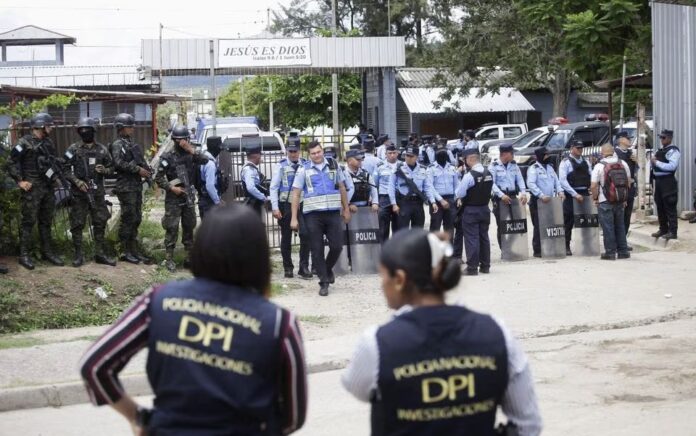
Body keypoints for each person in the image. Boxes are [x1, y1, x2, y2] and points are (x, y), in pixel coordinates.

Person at [80, 205, 308, 435]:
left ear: (200, 248)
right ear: (259, 258)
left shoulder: (158, 300)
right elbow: (294, 418)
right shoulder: (279, 323)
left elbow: (95, 365)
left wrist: (138, 417)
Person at [342, 229, 542, 436]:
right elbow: (528, 425)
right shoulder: (498, 333)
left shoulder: (376, 344)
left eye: (382, 276)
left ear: (399, 279)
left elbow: (356, 385)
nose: (381, 285)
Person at [290, 141, 351, 296]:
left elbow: (342, 187)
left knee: (337, 246)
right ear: (309, 155)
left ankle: (327, 268)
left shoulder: (334, 165)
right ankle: (323, 282)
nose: (316, 155)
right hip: (313, 214)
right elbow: (296, 193)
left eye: (318, 152)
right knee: (316, 249)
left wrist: (346, 209)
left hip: (332, 212)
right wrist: (294, 218)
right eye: (313, 153)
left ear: (322, 151)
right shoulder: (304, 169)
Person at [6, 112, 64, 270]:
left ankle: (47, 252)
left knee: (46, 222)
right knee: (28, 223)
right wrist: (20, 181)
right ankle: (24, 255)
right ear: (40, 126)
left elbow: (51, 164)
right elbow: (10, 162)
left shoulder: (49, 143)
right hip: (32, 189)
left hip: (47, 188)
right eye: (49, 125)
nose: (51, 128)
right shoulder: (23, 143)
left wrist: (54, 178)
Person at [63, 117, 117, 267]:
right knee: (77, 224)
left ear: (94, 131)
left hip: (97, 193)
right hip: (79, 193)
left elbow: (112, 167)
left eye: (88, 130)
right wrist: (77, 181)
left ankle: (100, 254)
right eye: (82, 130)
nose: (85, 132)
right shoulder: (73, 149)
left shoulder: (102, 149)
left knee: (100, 222)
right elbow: (65, 168)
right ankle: (78, 255)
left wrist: (105, 170)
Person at [154, 126, 209, 272]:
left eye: (184, 139)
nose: (182, 142)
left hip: (188, 195)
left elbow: (205, 160)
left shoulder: (191, 154)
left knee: (189, 225)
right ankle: (169, 259)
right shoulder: (167, 156)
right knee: (172, 227)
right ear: (174, 140)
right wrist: (172, 188)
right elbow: (158, 177)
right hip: (174, 196)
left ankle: (189, 258)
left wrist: (191, 149)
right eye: (180, 140)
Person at [110, 113, 152, 265]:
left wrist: (147, 170)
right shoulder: (117, 145)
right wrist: (137, 170)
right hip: (125, 187)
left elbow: (140, 162)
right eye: (129, 126)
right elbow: (118, 163)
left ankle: (133, 249)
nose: (132, 129)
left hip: (135, 186)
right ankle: (123, 251)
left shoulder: (131, 144)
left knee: (136, 218)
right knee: (128, 219)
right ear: (121, 128)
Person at [270, 137, 312, 279]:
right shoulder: (281, 166)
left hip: (302, 204)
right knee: (286, 237)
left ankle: (303, 267)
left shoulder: (306, 165)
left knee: (305, 234)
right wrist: (275, 208)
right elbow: (274, 187)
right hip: (286, 205)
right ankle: (288, 267)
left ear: (300, 151)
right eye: (291, 151)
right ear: (287, 151)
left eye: (296, 151)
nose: (293, 154)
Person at [455, 149, 493, 275]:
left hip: (471, 210)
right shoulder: (489, 173)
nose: (464, 162)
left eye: (465, 160)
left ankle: (472, 268)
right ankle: (485, 266)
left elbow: (459, 193)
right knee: (484, 238)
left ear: (470, 159)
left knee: (472, 239)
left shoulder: (469, 176)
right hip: (484, 209)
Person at [592, 143, 632, 260]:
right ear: (613, 151)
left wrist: (595, 198)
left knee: (608, 227)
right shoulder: (622, 163)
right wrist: (624, 198)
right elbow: (628, 182)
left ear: (602, 153)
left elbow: (594, 185)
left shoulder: (599, 166)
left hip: (605, 201)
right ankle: (623, 251)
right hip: (619, 200)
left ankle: (610, 252)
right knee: (620, 225)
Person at [527, 147, 564, 257]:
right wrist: (541, 195)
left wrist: (560, 191)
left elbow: (556, 181)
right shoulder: (533, 168)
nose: (548, 157)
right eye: (545, 155)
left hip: (550, 201)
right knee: (538, 226)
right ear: (539, 156)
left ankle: (549, 247)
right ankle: (537, 250)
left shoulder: (550, 168)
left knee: (550, 224)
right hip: (538, 201)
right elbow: (531, 184)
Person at [489, 143, 527, 247]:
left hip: (513, 197)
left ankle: (511, 247)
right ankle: (504, 250)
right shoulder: (494, 166)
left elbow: (520, 179)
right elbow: (491, 183)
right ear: (505, 154)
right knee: (502, 225)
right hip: (501, 199)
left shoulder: (514, 165)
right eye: (512, 153)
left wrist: (523, 193)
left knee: (517, 224)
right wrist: (501, 195)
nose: (513, 155)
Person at [389, 145, 436, 230]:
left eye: (411, 156)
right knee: (402, 232)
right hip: (404, 203)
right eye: (407, 155)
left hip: (418, 203)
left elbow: (427, 187)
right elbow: (391, 186)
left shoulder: (423, 169)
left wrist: (432, 201)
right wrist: (394, 204)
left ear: (417, 157)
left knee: (418, 232)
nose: (408, 158)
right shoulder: (398, 168)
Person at [559, 140, 592, 256]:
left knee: (586, 221)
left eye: (581, 148)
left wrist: (592, 189)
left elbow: (591, 176)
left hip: (584, 193)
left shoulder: (586, 162)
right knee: (568, 222)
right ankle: (566, 245)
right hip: (571, 195)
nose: (580, 150)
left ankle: (586, 244)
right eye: (578, 148)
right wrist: (574, 194)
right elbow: (563, 181)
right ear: (572, 148)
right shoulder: (565, 162)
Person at [650, 129, 681, 240]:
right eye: (661, 137)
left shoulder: (673, 151)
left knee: (669, 206)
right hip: (658, 181)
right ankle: (663, 229)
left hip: (668, 181)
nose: (661, 140)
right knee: (660, 206)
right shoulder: (660, 150)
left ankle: (673, 232)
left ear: (669, 138)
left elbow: (672, 166)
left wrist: (656, 162)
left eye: (663, 138)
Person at [427, 144, 459, 236]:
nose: (442, 154)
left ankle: (448, 249)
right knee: (435, 227)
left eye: (444, 152)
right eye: (439, 152)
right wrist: (441, 200)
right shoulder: (431, 169)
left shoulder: (452, 168)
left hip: (450, 200)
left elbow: (456, 185)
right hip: (437, 201)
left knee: (449, 228)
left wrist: (457, 198)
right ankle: (433, 249)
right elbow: (429, 186)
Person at [614, 131, 638, 242]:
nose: (629, 140)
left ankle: (623, 240)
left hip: (630, 187)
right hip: (619, 187)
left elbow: (637, 170)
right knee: (619, 214)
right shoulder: (615, 153)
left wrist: (637, 161)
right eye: (627, 138)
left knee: (627, 215)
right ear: (621, 140)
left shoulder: (630, 153)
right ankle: (617, 240)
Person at [374, 144, 400, 242]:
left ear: (397, 153)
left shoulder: (402, 165)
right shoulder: (380, 166)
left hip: (398, 199)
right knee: (383, 228)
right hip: (384, 198)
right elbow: (375, 184)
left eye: (394, 153)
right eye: (390, 153)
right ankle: (384, 253)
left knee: (398, 228)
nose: (392, 155)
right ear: (385, 154)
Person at [197, 136, 224, 218]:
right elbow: (210, 186)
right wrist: (218, 202)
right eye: (219, 149)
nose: (220, 151)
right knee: (212, 229)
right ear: (215, 148)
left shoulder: (203, 158)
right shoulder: (210, 164)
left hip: (204, 198)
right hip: (209, 202)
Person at [240, 147, 269, 216]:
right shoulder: (249, 169)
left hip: (254, 203)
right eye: (260, 155)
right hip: (253, 204)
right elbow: (250, 188)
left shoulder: (250, 168)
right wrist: (263, 197)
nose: (260, 157)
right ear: (257, 156)